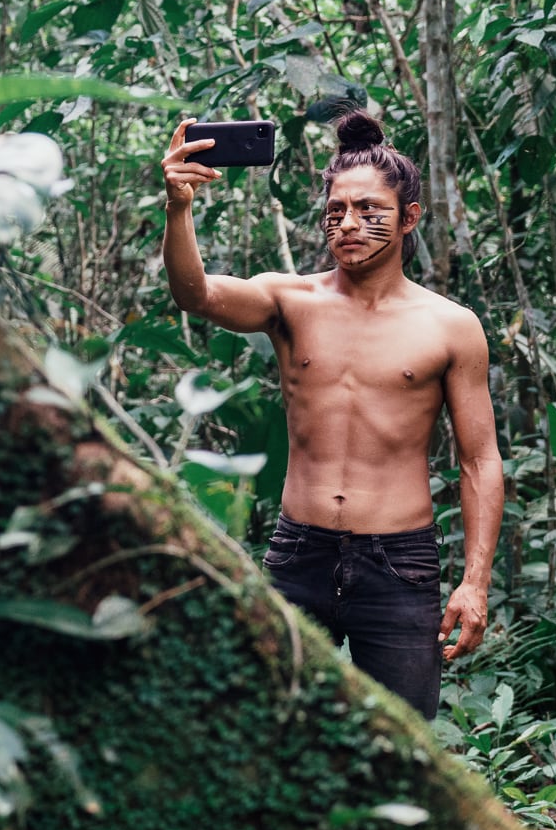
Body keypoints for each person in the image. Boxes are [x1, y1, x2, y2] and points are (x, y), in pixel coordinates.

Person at [156, 110, 499, 720]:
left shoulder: (450, 325)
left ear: (409, 218)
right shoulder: (290, 300)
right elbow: (196, 295)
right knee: (267, 726)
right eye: (337, 211)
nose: (350, 224)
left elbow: (479, 460)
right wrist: (178, 206)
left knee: (403, 746)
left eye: (370, 210)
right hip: (298, 555)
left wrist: (475, 584)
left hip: (399, 562)